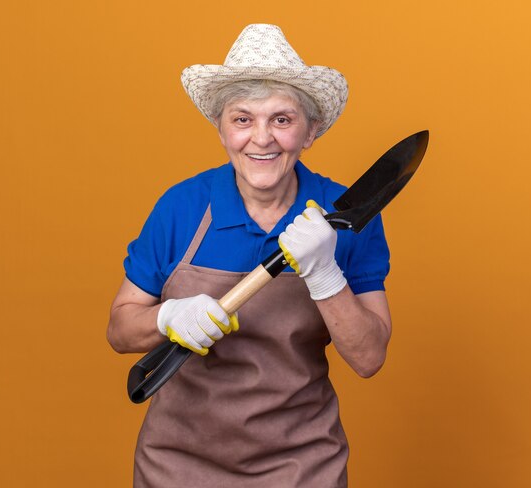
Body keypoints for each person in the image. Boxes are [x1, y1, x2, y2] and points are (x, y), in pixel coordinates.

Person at [107, 24, 392, 487]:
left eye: (282, 119)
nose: (261, 139)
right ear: (221, 129)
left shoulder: (345, 214)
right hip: (178, 465)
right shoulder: (180, 207)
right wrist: (167, 317)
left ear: (310, 130)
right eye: (243, 119)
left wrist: (325, 274)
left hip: (302, 466)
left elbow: (369, 358)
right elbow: (120, 331)